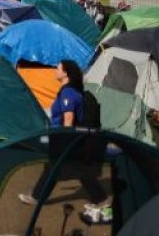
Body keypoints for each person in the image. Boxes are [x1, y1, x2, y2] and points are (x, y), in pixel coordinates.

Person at [19, 60, 108, 210]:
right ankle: (100, 198)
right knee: (72, 168)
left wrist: (66, 141)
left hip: (64, 138)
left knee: (55, 167)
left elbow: (68, 118)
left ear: (66, 73)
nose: (56, 69)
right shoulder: (72, 90)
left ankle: (36, 197)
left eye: (58, 67)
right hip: (67, 138)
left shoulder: (68, 92)